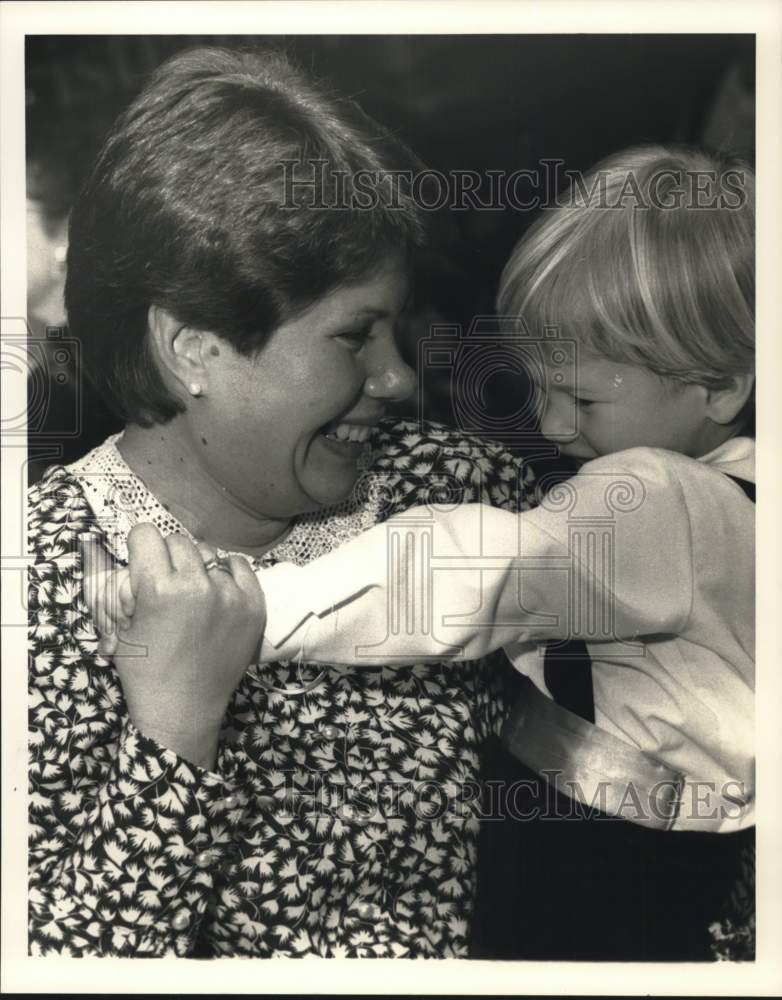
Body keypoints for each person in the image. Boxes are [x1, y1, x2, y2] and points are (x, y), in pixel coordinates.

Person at [95, 145, 756, 960]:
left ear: (723, 385)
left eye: (582, 397)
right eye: (540, 388)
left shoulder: (661, 497)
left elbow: (466, 571)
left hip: (598, 861)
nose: (550, 427)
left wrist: (260, 607)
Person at [28, 46, 539, 959]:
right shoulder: (38, 589)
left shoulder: (458, 490)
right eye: (353, 336)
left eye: (396, 326)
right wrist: (174, 730)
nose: (396, 375)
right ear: (194, 349)